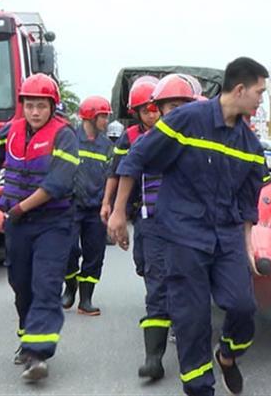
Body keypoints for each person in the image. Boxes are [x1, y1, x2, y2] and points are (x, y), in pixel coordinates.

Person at [108, 57, 269, 396]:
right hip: (182, 234)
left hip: (226, 236)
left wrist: (249, 245)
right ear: (239, 90)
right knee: (192, 320)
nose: (260, 100)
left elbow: (247, 203)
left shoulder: (251, 147)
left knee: (243, 306)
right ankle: (200, 388)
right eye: (259, 92)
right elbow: (136, 159)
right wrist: (119, 212)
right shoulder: (186, 120)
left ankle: (227, 355)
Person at [0, 74, 80, 382]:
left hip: (53, 222)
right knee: (21, 283)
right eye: (29, 105)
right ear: (22, 106)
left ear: (53, 107)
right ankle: (27, 339)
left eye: (41, 106)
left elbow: (57, 184)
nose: (35, 112)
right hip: (17, 223)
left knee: (46, 284)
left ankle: (38, 354)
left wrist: (16, 209)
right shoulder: (10, 130)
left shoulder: (64, 136)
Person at [132, 73, 202, 381]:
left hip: (191, 226)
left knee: (189, 289)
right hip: (155, 224)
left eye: (181, 106)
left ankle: (196, 358)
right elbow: (125, 172)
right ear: (157, 109)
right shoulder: (147, 142)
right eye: (168, 106)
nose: (174, 112)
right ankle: (153, 358)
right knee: (157, 286)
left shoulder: (203, 142)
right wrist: (117, 212)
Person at [100, 76, 160, 278]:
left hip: (166, 206)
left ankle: (162, 305)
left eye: (155, 110)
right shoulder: (130, 136)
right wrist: (108, 203)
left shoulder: (174, 133)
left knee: (159, 262)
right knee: (142, 261)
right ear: (137, 113)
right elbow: (116, 172)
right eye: (146, 112)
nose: (152, 116)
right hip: (138, 206)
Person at [61, 95, 114, 316]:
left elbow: (112, 175)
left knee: (95, 254)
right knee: (68, 250)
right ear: (90, 116)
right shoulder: (70, 139)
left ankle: (86, 299)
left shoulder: (108, 146)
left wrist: (107, 203)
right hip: (71, 206)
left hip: (96, 209)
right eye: (103, 116)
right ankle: (70, 286)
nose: (106, 122)